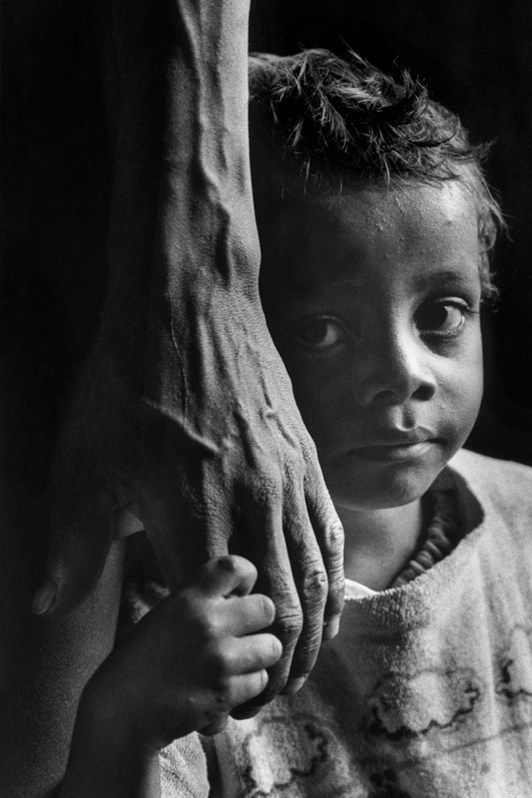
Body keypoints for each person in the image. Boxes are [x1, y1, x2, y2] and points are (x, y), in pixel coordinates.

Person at [56, 47, 532, 797]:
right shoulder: (182, 613)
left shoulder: (526, 527)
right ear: (234, 345)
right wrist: (124, 726)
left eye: (443, 314)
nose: (408, 372)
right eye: (321, 331)